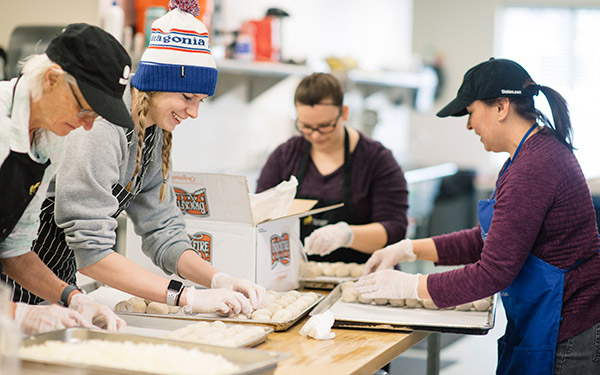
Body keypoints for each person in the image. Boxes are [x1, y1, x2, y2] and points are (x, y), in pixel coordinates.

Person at [4, 0, 265, 316]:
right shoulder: (91, 125)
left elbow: (162, 228)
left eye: (201, 101)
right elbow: (90, 247)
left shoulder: (148, 135)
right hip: (16, 291)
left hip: (48, 284)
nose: (194, 113)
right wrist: (185, 297)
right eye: (187, 98)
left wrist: (218, 279)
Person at [356, 58, 600, 374]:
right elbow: (491, 240)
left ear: (500, 107)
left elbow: (492, 272)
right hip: (547, 317)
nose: (469, 126)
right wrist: (409, 248)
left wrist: (411, 286)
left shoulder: (534, 167)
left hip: (569, 327)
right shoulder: (525, 157)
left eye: (470, 113)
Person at [0, 23, 133, 334]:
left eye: (95, 118)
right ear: (52, 79)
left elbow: (14, 250)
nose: (87, 127)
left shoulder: (50, 141)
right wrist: (17, 313)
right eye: (83, 110)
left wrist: (73, 297)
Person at [256, 73, 408, 264]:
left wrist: (346, 235)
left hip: (364, 276)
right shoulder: (285, 156)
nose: (316, 135)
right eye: (306, 127)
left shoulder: (377, 160)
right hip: (298, 275)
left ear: (344, 113)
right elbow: (260, 215)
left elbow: (395, 229)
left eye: (325, 126)